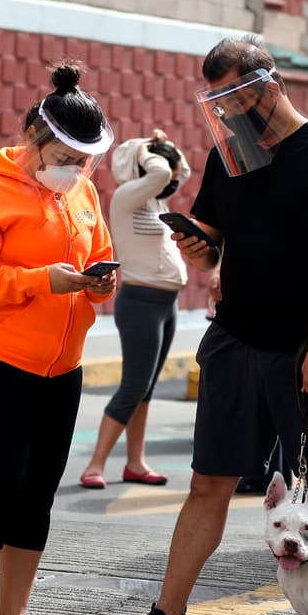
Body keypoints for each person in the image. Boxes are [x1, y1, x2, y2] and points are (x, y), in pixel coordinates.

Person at [109, 36, 308, 615]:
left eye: (231, 96)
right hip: (235, 341)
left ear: (267, 83)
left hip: (306, 350)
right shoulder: (230, 157)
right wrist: (200, 251)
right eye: (215, 101)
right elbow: (217, 244)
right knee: (207, 484)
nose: (224, 113)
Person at [0, 62, 116, 615]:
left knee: (37, 494)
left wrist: (100, 283)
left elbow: (95, 256)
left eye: (87, 157)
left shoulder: (84, 192)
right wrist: (38, 280)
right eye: (68, 153)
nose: (78, 166)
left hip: (60, 369)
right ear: (35, 138)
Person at [79, 129, 191, 489]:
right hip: (141, 304)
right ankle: (94, 465)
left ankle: (135, 462)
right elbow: (161, 173)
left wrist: (166, 144)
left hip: (166, 304)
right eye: (163, 165)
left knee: (146, 388)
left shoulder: (157, 201)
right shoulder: (128, 197)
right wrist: (144, 149)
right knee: (133, 386)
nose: (171, 176)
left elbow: (180, 172)